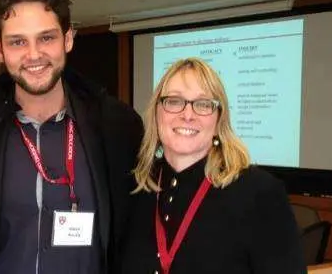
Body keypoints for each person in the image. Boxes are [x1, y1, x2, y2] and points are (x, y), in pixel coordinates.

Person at [0, 0, 144, 274]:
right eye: (18, 42)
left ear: (68, 39)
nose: (34, 55)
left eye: (46, 38)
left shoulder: (117, 126)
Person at [122, 57, 304, 273]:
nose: (187, 115)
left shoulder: (259, 193)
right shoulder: (136, 187)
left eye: (203, 104)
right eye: (174, 101)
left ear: (219, 122)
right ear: (157, 113)